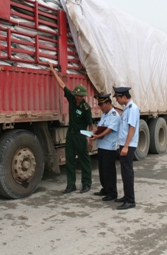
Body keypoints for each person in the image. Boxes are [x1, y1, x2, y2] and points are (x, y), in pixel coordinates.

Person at [48, 62, 94, 194]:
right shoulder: (72, 99)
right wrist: (52, 70)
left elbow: (90, 125)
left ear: (84, 96)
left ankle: (86, 184)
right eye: (76, 95)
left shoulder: (86, 108)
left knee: (84, 161)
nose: (78, 97)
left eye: (80, 96)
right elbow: (62, 85)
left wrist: (90, 140)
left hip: (80, 136)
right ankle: (71, 185)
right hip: (70, 135)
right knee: (70, 161)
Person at [113, 86, 139, 210]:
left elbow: (132, 128)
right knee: (125, 171)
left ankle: (130, 200)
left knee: (127, 172)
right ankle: (127, 196)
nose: (117, 100)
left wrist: (126, 146)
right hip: (124, 144)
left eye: (117, 97)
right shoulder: (127, 109)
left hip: (128, 145)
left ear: (123, 96)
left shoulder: (132, 109)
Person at [90, 94, 121, 201]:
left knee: (109, 171)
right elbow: (100, 127)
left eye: (102, 105)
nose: (100, 107)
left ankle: (112, 192)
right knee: (102, 170)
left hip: (109, 147)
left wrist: (97, 136)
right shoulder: (104, 114)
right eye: (99, 105)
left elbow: (109, 130)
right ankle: (105, 188)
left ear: (108, 103)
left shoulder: (114, 115)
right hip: (102, 146)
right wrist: (93, 132)